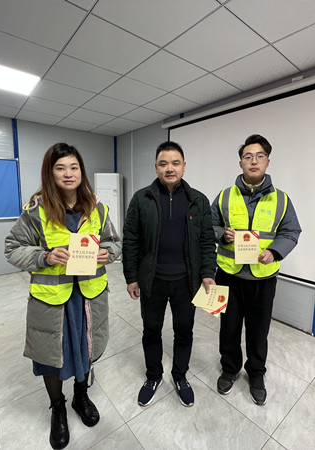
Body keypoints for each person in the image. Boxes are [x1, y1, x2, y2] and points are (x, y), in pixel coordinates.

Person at [4, 143, 121, 449]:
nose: (68, 174)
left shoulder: (98, 209)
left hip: (88, 297)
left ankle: (81, 396)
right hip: (53, 300)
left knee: (86, 348)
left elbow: (115, 242)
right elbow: (12, 248)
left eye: (74, 167)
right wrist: (44, 257)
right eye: (60, 168)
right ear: (50, 173)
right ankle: (58, 407)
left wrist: (108, 253)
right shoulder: (36, 211)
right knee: (51, 358)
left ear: (81, 171)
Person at [122, 141, 216, 408]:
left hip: (187, 282)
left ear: (184, 167)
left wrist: (208, 272)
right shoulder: (141, 199)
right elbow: (131, 240)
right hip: (152, 281)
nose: (170, 168)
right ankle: (153, 376)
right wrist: (131, 277)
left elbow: (207, 241)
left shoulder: (198, 200)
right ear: (156, 167)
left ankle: (180, 376)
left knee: (184, 331)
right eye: (163, 163)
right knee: (151, 330)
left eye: (175, 163)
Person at [211, 134, 301, 406]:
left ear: (267, 162)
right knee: (228, 327)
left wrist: (274, 252)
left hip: (263, 277)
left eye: (259, 156)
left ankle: (256, 373)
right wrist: (221, 234)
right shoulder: (225, 196)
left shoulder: (281, 200)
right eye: (248, 156)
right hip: (228, 275)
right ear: (240, 162)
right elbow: (207, 226)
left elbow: (291, 231)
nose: (253, 161)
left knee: (258, 330)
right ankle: (229, 369)